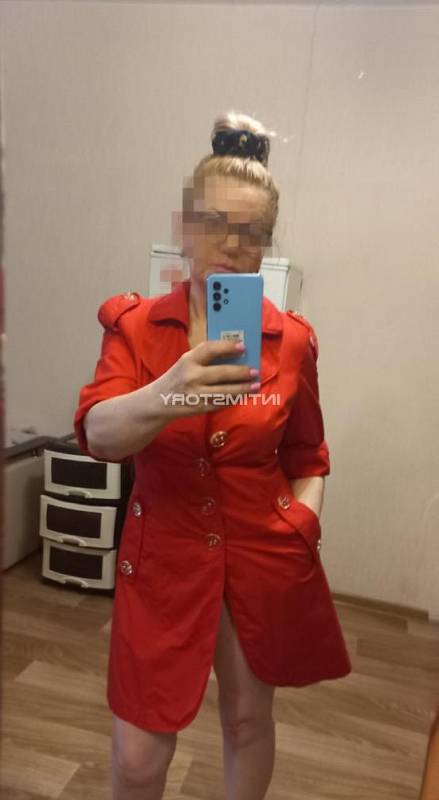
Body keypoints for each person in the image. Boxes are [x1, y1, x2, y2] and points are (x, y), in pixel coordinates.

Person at [74, 111, 352, 800]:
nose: (230, 244)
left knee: (248, 720)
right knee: (138, 751)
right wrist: (168, 393)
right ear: (184, 227)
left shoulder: (290, 341)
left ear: (266, 244)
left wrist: (300, 525)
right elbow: (98, 435)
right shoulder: (136, 327)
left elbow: (308, 453)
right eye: (214, 223)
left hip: (261, 553)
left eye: (251, 231)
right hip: (164, 556)